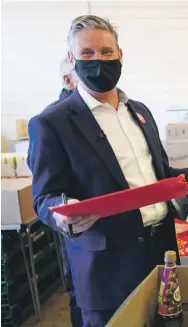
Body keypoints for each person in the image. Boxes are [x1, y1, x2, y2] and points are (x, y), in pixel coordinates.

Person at [27, 15, 188, 327]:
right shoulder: (51, 123)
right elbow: (44, 197)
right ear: (72, 60)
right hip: (106, 265)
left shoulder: (139, 111)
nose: (98, 61)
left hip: (160, 252)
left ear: (120, 55)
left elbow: (162, 176)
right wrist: (60, 212)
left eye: (106, 52)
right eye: (87, 53)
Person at [53, 57, 83, 327]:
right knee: (79, 293)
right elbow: (47, 192)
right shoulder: (53, 120)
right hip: (79, 227)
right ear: (67, 80)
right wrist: (62, 207)